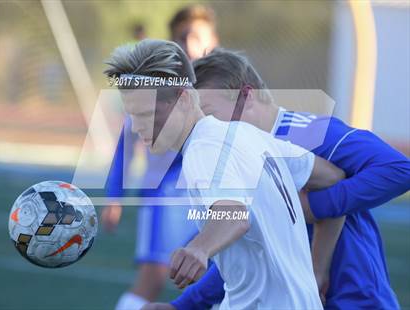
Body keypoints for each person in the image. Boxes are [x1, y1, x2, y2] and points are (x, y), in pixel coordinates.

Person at [146, 49, 410, 309]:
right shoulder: (237, 156)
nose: (202, 124)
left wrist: (313, 206)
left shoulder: (311, 132)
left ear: (247, 96)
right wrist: (183, 305)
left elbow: (399, 169)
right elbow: (252, 256)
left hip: (357, 298)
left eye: (208, 112)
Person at [104, 39, 347, 309]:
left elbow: (233, 215)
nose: (137, 127)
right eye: (133, 116)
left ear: (184, 99)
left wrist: (199, 248)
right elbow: (332, 178)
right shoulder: (250, 135)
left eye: (147, 114)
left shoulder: (203, 149)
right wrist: (316, 267)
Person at [104, 5, 219, 309]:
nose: (194, 46)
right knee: (153, 279)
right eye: (185, 39)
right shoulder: (155, 89)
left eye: (200, 38)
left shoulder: (225, 84)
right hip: (166, 196)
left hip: (213, 198)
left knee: (228, 277)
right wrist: (115, 195)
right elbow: (127, 142)